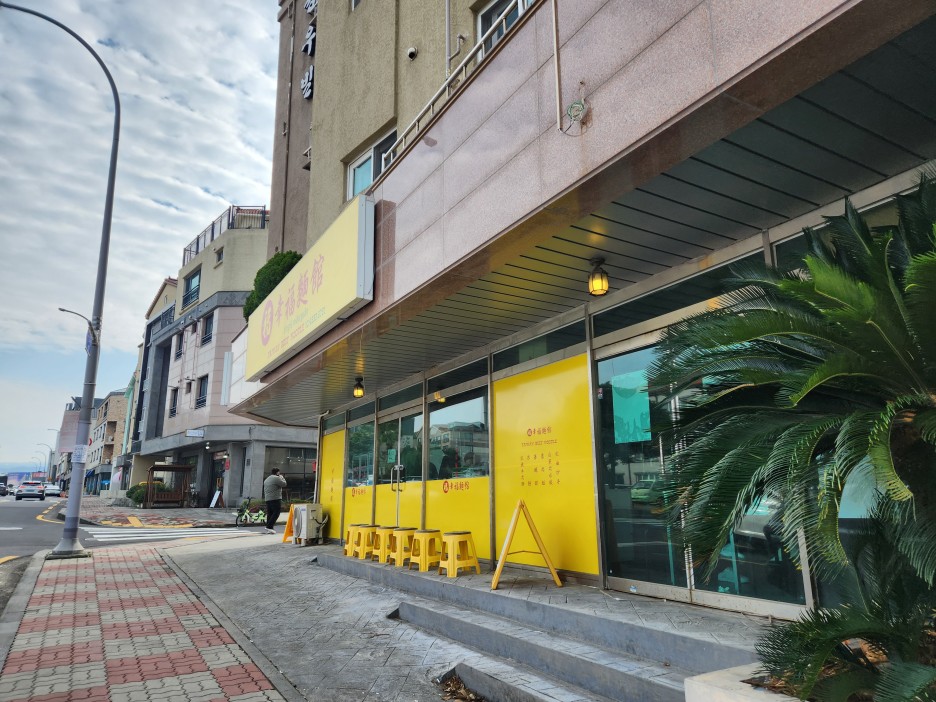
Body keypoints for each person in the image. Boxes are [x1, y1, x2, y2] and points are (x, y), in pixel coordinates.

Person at [262, 468, 288, 534]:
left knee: (270, 514)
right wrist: (282, 477)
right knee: (276, 512)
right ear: (277, 472)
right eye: (279, 472)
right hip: (275, 498)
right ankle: (269, 526)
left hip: (267, 499)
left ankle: (269, 529)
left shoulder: (267, 479)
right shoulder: (276, 478)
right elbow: (284, 484)